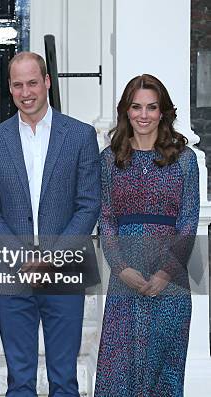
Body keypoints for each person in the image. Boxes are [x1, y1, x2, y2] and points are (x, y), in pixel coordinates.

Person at [0, 51, 101, 397]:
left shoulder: (79, 135)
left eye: (32, 82)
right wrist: (22, 257)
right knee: (19, 381)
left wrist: (51, 256)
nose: (25, 91)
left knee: (64, 380)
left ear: (47, 82)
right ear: (10, 88)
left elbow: (89, 204)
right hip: (12, 271)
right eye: (17, 84)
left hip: (65, 270)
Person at [94, 74, 199, 396]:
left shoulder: (184, 160)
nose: (143, 115)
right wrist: (122, 269)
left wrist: (166, 273)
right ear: (125, 111)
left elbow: (189, 221)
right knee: (120, 369)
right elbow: (106, 219)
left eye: (151, 107)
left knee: (163, 370)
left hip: (171, 280)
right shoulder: (109, 160)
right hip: (123, 276)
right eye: (136, 107)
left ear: (163, 112)